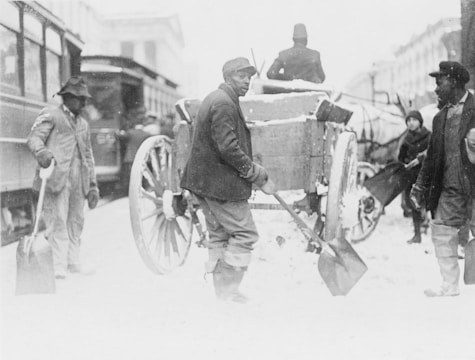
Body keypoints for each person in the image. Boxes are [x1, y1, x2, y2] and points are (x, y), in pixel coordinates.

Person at [180, 57, 275, 303]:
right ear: (228, 77)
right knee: (245, 234)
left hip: (205, 183)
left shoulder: (217, 99)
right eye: (241, 76)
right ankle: (229, 290)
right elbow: (228, 148)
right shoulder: (223, 103)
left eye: (249, 77)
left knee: (220, 236)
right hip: (220, 185)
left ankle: (222, 292)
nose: (247, 81)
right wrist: (257, 174)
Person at [410, 61, 475, 297]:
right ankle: (449, 285)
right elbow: (431, 157)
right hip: (449, 187)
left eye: (440, 83)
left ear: (454, 82)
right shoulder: (439, 118)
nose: (436, 89)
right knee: (442, 233)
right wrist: (419, 186)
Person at [27, 76, 99, 279]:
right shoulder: (50, 115)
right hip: (56, 178)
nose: (83, 103)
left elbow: (88, 156)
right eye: (79, 98)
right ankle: (58, 266)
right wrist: (42, 153)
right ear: (67, 98)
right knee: (57, 220)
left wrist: (93, 186)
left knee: (76, 220)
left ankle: (73, 262)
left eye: (84, 99)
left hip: (79, 180)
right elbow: (34, 138)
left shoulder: (83, 123)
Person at [398, 110, 431, 244]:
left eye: (414, 120)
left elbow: (434, 153)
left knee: (429, 203)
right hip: (411, 176)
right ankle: (417, 235)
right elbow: (401, 157)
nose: (411, 123)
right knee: (413, 204)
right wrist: (402, 165)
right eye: (408, 121)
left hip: (426, 175)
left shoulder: (428, 136)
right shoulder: (406, 139)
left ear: (420, 122)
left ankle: (433, 231)